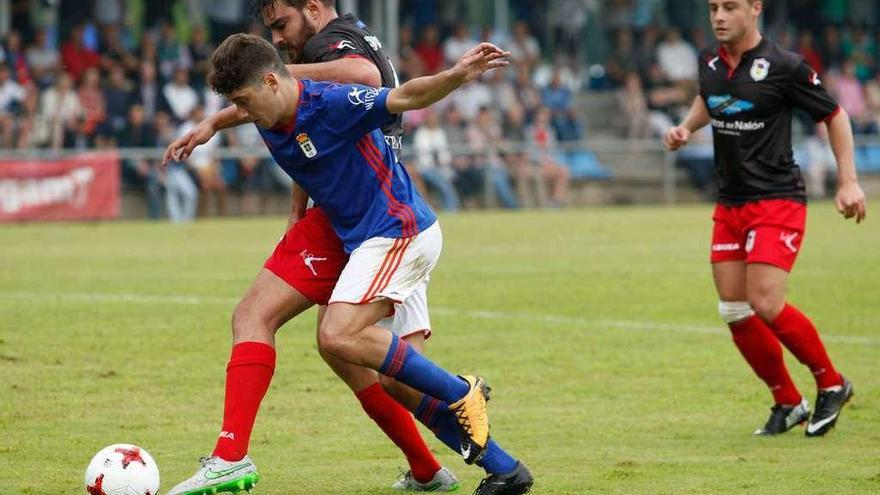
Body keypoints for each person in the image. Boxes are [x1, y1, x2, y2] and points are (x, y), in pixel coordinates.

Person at [163, 2, 528, 494]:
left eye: (245, 103)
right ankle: (500, 470)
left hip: (396, 228)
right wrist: (211, 125)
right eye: (237, 107)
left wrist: (457, 74)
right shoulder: (268, 107)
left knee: (340, 338)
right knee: (349, 357)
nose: (243, 116)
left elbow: (401, 95)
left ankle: (462, 392)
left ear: (273, 82)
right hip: (347, 228)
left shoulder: (331, 96)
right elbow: (285, 134)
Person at [664, 0, 866, 437]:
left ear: (755, 9)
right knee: (734, 308)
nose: (718, 16)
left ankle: (832, 382)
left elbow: (835, 116)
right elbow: (710, 98)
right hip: (731, 202)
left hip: (777, 200)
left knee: (766, 301)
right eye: (713, 7)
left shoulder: (785, 66)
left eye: (729, 7)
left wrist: (848, 181)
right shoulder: (710, 61)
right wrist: (687, 127)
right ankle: (788, 401)